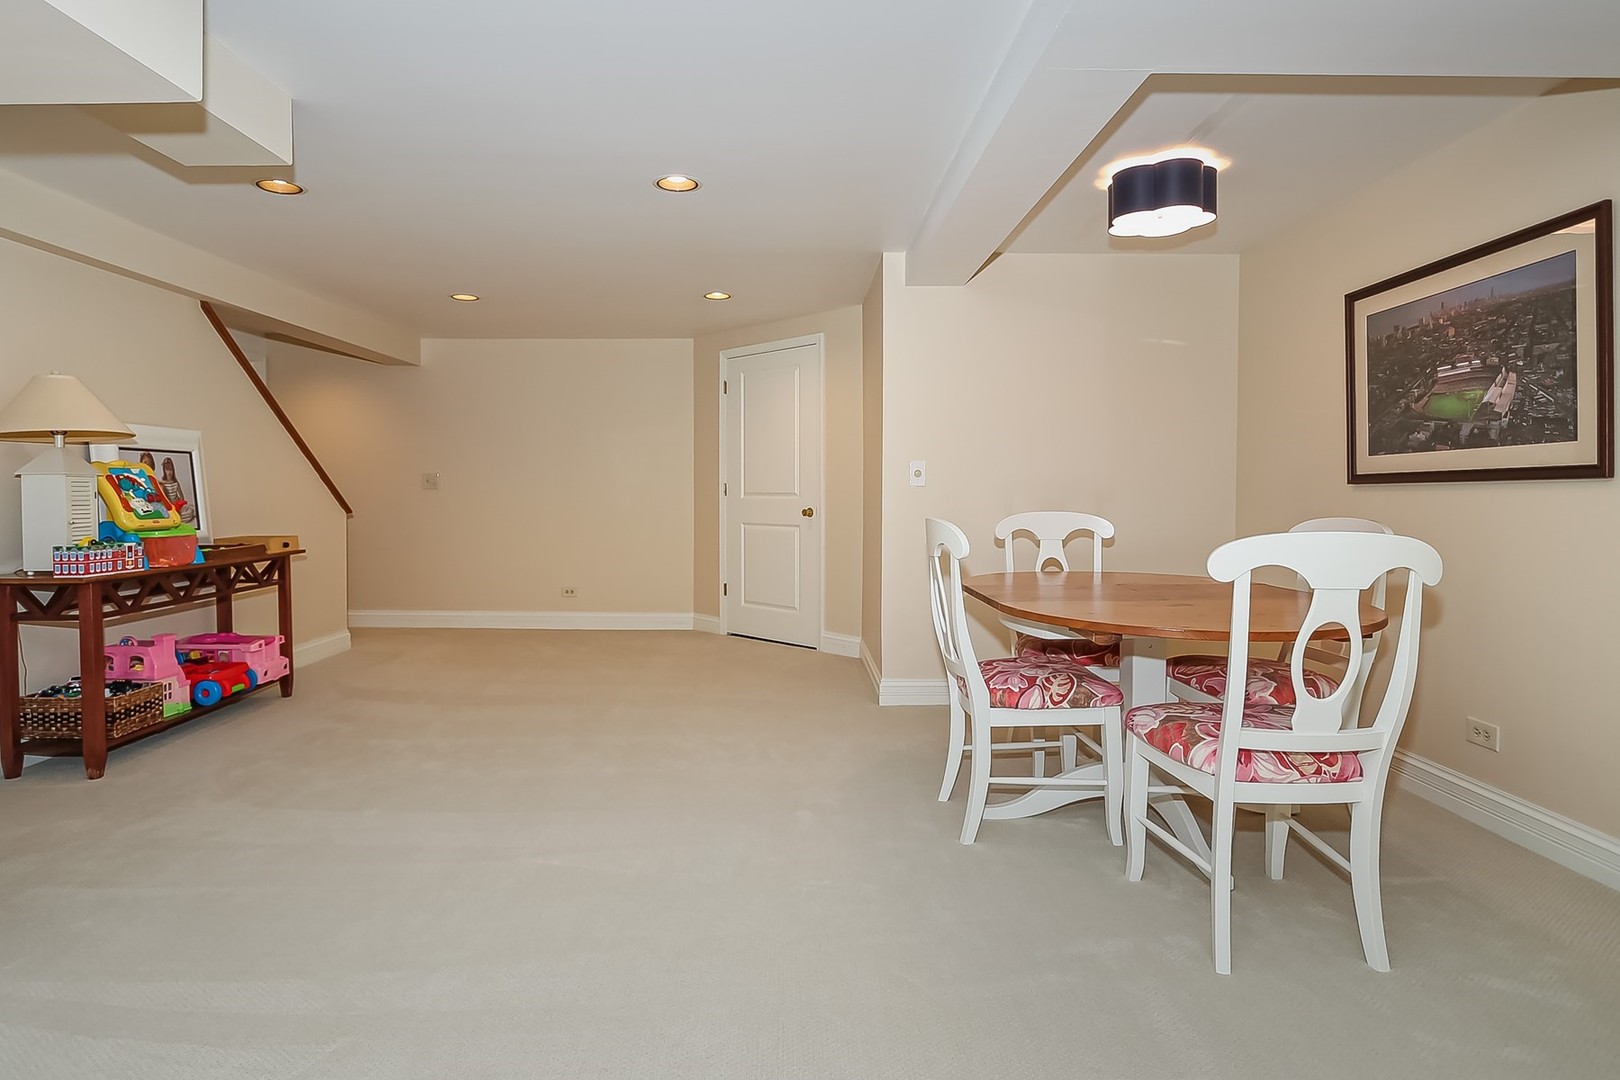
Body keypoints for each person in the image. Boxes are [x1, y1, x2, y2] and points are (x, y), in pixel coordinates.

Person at [160, 457, 198, 526]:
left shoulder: (175, 482)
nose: (169, 472)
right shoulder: (163, 483)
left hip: (178, 504)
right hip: (170, 505)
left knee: (191, 509)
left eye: (171, 470)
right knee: (167, 513)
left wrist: (183, 504)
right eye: (167, 470)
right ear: (164, 471)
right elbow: (164, 498)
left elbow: (181, 495)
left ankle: (178, 517)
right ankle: (174, 518)